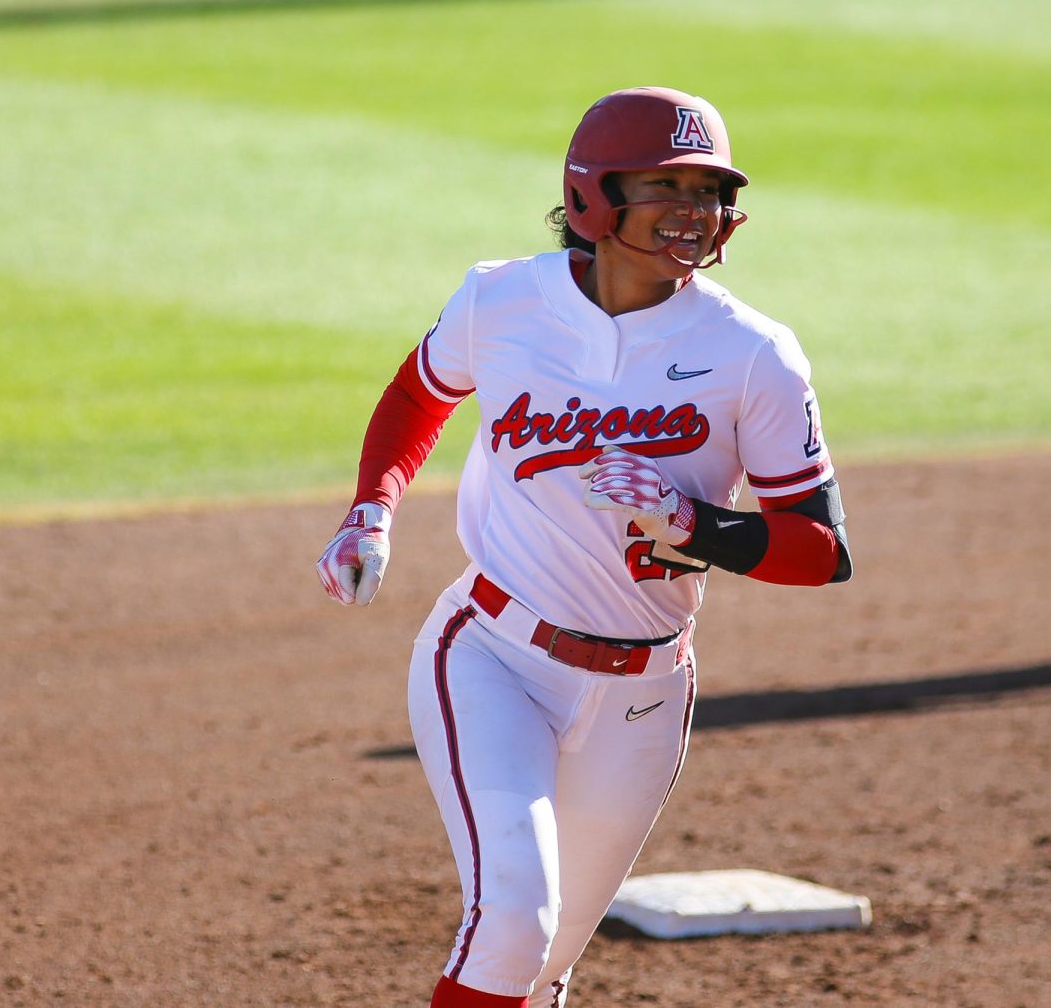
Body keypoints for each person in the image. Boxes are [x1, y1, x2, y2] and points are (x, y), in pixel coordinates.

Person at [316, 86, 853, 1008]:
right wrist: (372, 508)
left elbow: (819, 548)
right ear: (594, 197)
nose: (695, 213)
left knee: (545, 964)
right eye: (667, 187)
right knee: (513, 918)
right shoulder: (501, 301)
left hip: (645, 693)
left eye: (709, 192)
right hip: (492, 654)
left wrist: (696, 525)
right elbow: (418, 393)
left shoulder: (754, 353)